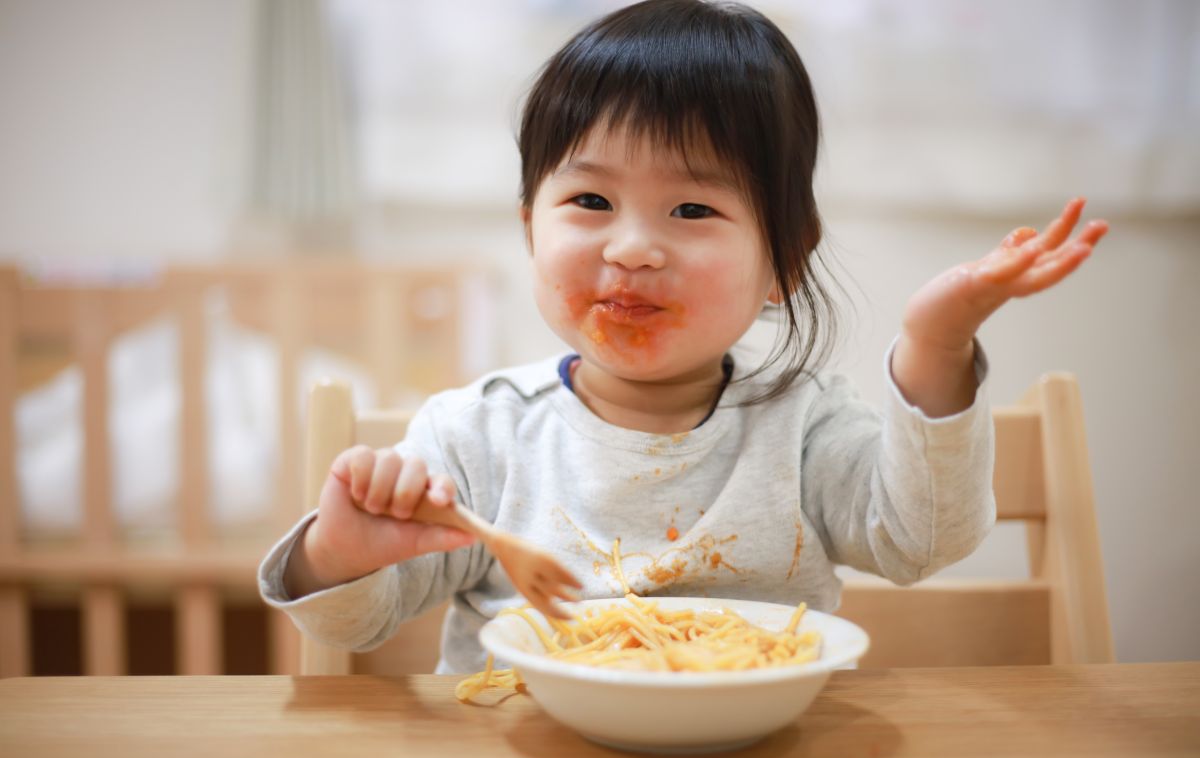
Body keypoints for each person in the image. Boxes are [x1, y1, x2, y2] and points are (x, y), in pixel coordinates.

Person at [258, 0, 1108, 674]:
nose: (631, 247)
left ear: (782, 263)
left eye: (693, 209)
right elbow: (357, 627)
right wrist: (338, 555)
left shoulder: (804, 427)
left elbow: (920, 541)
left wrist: (937, 343)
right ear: (530, 230)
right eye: (589, 202)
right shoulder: (476, 438)